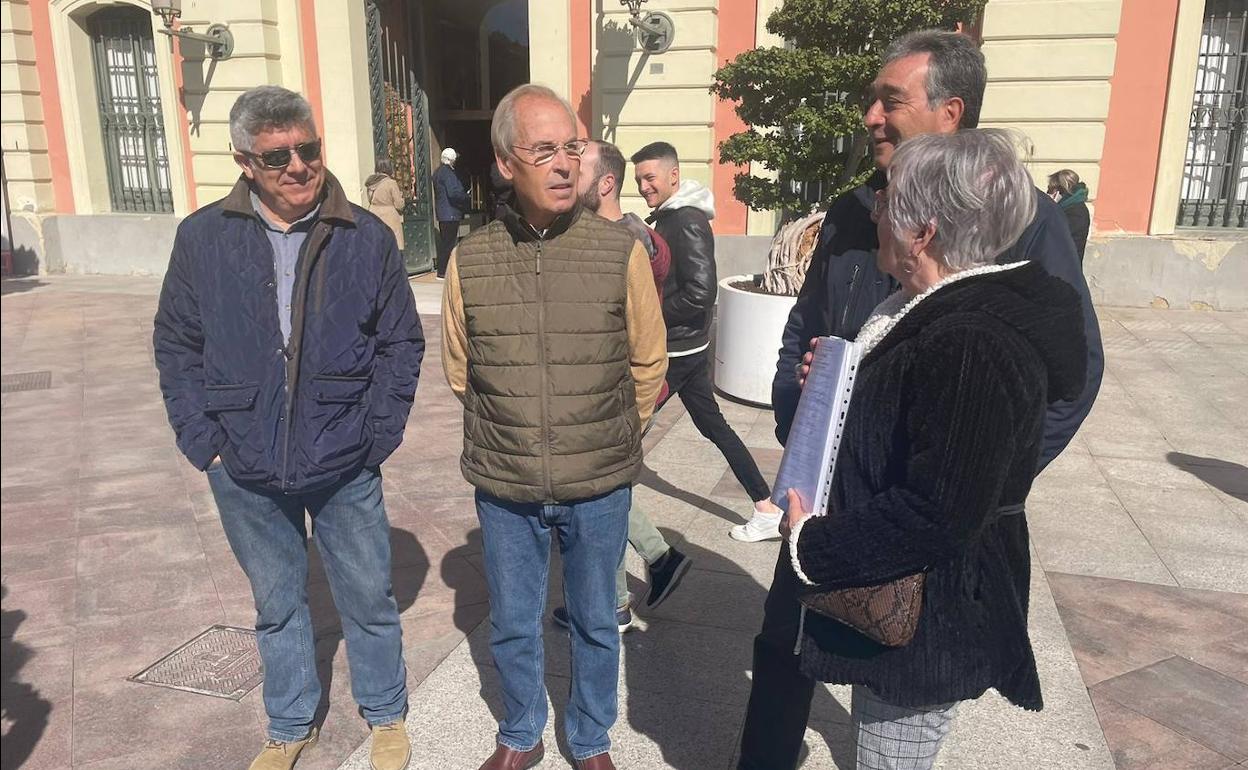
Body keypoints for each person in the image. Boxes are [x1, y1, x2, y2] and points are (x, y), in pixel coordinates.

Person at [743, 30, 1104, 769]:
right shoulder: (853, 211)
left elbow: (1070, 374)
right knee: (784, 645)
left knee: (893, 708)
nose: (870, 116)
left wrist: (975, 476)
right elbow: (803, 337)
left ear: (950, 112)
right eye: (870, 98)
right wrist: (803, 419)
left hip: (913, 522)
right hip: (827, 500)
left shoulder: (1016, 216)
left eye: (891, 99)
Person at [153, 85, 423, 770]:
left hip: (344, 455)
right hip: (242, 459)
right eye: (279, 158)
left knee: (368, 596)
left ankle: (386, 715)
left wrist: (377, 435)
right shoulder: (203, 236)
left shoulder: (364, 236)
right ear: (246, 162)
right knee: (276, 605)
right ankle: (290, 723)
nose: (300, 166)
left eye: (309, 149)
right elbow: (176, 342)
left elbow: (401, 343)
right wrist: (202, 441)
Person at [441, 85, 668, 770]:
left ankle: (592, 739)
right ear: (507, 163)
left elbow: (648, 359)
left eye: (572, 147)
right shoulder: (471, 259)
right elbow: (460, 366)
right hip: (506, 486)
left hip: (598, 483)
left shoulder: (617, 251)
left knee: (598, 622)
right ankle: (520, 733)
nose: (566, 164)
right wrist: (514, 424)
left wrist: (605, 431)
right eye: (546, 151)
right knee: (513, 625)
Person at [546, 138, 690, 634]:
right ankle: (655, 560)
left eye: (577, 166)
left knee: (595, 495)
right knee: (605, 489)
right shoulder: (608, 236)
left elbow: (641, 339)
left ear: (605, 182)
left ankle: (615, 602)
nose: (563, 172)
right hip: (597, 396)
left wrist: (632, 405)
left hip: (611, 396)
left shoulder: (623, 245)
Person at [631, 140, 784, 542]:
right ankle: (767, 507)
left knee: (627, 424)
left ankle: (597, 506)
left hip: (677, 351)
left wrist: (650, 315)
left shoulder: (686, 221)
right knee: (714, 426)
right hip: (687, 348)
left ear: (673, 175)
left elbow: (701, 293)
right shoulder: (668, 217)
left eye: (650, 178)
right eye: (639, 180)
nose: (644, 186)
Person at [434, 147, 470, 279]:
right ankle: (444, 271)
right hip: (450, 213)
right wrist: (466, 196)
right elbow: (453, 193)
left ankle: (442, 270)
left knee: (446, 242)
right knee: (449, 244)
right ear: (450, 160)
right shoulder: (448, 173)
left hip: (443, 212)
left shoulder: (437, 172)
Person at [363, 157, 407, 249]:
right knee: (392, 245)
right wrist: (402, 199)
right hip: (390, 217)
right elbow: (399, 205)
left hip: (374, 214)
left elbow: (370, 200)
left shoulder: (371, 183)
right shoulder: (391, 183)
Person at [1048, 169, 1091, 262]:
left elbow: (1054, 238)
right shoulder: (1066, 208)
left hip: (1066, 269)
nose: (1047, 192)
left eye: (1050, 189)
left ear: (1060, 190)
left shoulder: (1076, 212)